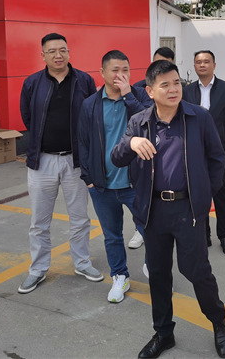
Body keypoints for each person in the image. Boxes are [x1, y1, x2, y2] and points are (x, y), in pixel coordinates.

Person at [111, 60, 225, 359]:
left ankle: (219, 322)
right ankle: (164, 332)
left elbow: (218, 158)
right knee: (158, 273)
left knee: (197, 271)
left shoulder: (198, 117)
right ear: (150, 91)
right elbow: (117, 157)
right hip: (153, 211)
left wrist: (205, 194)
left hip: (188, 210)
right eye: (164, 84)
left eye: (176, 82)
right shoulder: (139, 122)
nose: (173, 89)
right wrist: (131, 142)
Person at [17, 33, 103, 294]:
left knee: (80, 217)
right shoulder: (32, 83)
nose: (58, 55)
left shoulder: (84, 80)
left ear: (68, 53)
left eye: (62, 50)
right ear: (43, 55)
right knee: (39, 221)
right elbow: (27, 117)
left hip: (75, 161)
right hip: (42, 162)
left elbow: (93, 114)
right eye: (52, 51)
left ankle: (82, 262)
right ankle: (38, 269)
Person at [78, 50, 152, 303]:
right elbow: (83, 143)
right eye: (115, 70)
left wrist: (128, 95)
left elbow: (151, 125)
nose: (121, 75)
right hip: (103, 184)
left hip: (136, 182)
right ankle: (120, 276)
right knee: (112, 236)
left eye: (126, 70)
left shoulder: (139, 96)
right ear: (102, 73)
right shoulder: (90, 104)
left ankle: (154, 267)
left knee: (150, 229)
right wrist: (88, 178)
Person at [183, 50, 225, 255]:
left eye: (206, 61)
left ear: (214, 65)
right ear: (194, 66)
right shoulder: (187, 91)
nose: (202, 65)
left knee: (219, 191)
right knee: (196, 191)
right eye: (198, 62)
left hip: (218, 151)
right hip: (194, 151)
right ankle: (204, 235)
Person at [130, 46, 177, 250]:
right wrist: (131, 142)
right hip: (144, 161)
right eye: (157, 62)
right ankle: (139, 230)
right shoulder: (137, 88)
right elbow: (141, 116)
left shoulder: (178, 96)